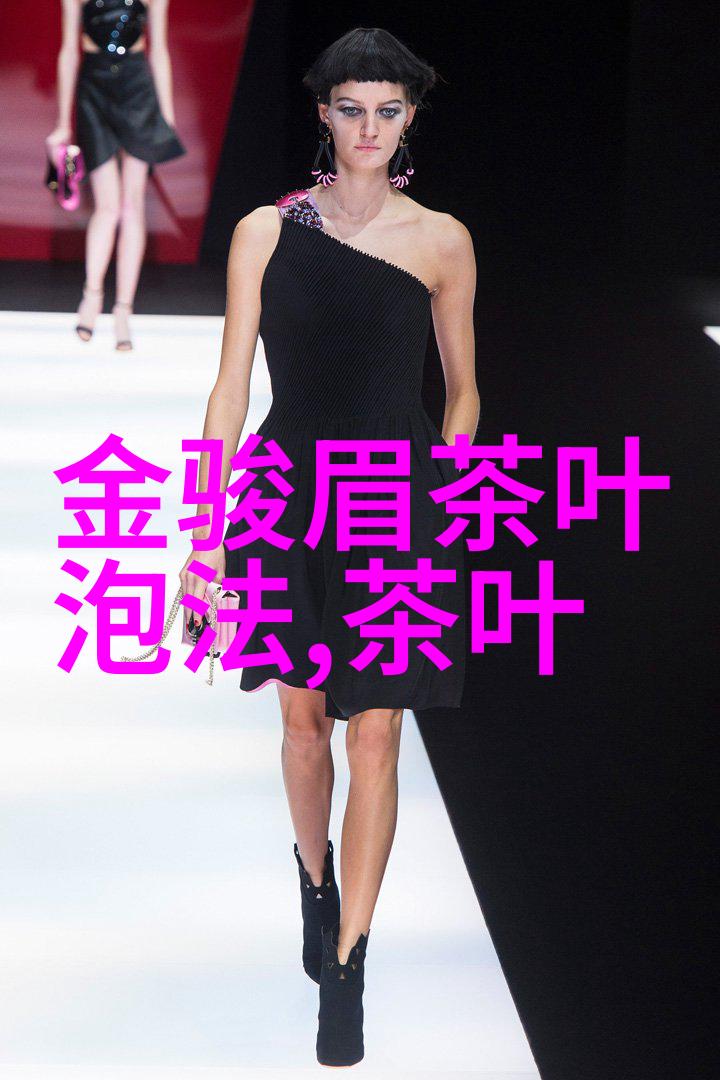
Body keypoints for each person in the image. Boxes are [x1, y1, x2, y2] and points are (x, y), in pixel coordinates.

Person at [180, 26, 480, 1067]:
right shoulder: (266, 231)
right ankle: (314, 883)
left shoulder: (441, 239)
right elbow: (230, 390)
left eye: (387, 111)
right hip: (285, 496)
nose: (368, 128)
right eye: (351, 109)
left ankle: (349, 963)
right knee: (304, 723)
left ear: (409, 119)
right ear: (323, 113)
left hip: (395, 503)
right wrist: (205, 536)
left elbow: (464, 393)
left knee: (379, 732)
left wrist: (445, 493)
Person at [46, 0, 185, 350]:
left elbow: (159, 50)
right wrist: (62, 121)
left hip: (137, 88)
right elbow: (68, 51)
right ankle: (91, 297)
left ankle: (123, 309)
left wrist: (166, 114)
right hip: (94, 89)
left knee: (131, 204)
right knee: (106, 205)